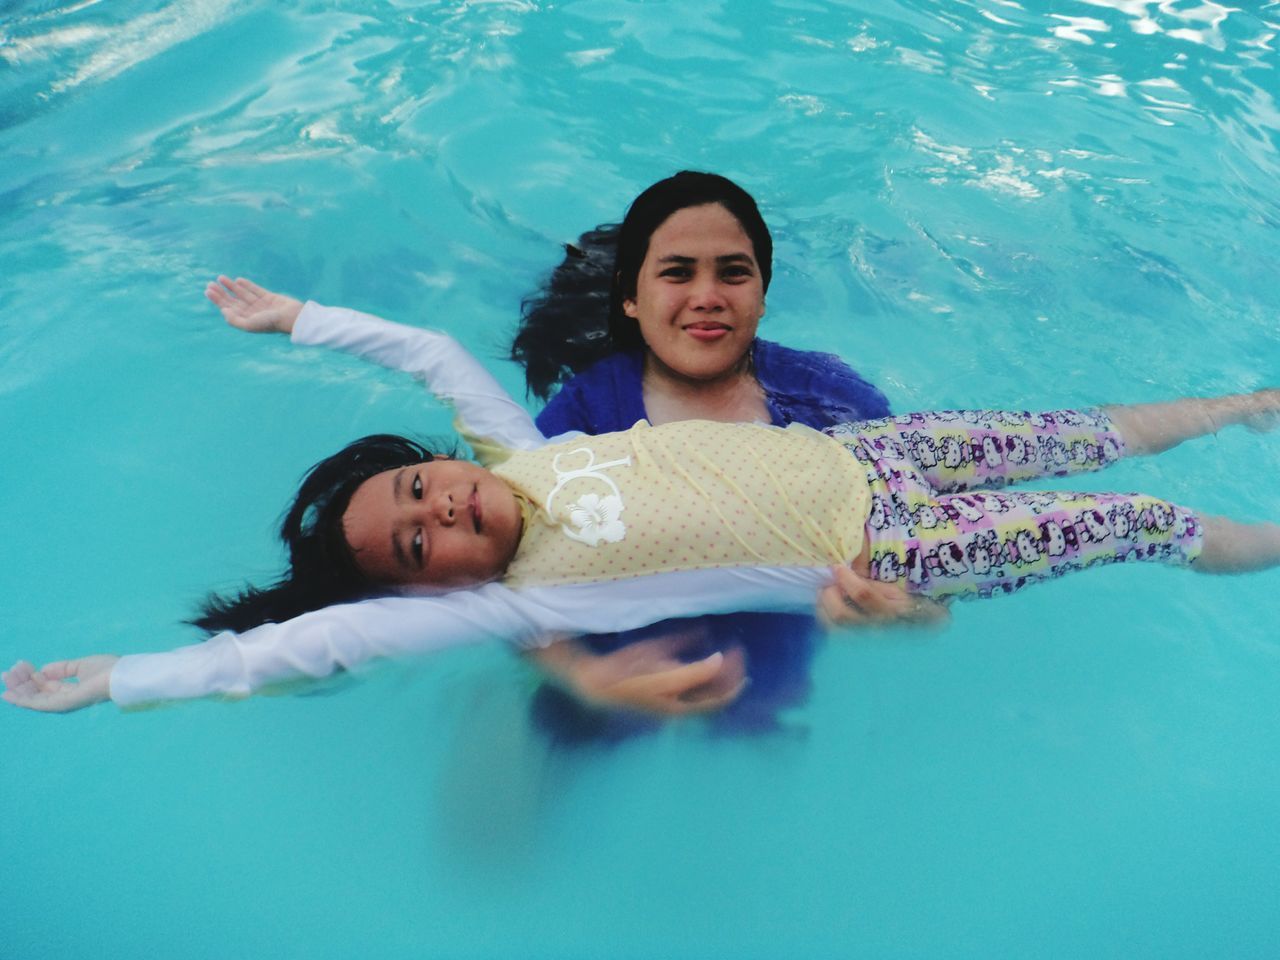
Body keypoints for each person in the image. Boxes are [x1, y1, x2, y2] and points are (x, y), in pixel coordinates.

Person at [6, 278, 1279, 715]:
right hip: (884, 544)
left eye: (416, 488)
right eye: (413, 545)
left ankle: (1231, 407)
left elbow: (438, 356)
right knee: (1135, 524)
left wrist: (301, 321)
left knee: (1078, 430)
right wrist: (121, 677)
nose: (438, 513)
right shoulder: (515, 601)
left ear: (439, 460)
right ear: (430, 589)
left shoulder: (512, 458)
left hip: (870, 454)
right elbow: (308, 645)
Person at [511, 171, 923, 725]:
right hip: (612, 681)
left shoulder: (835, 404)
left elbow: (924, 552)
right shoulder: (580, 422)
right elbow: (505, 578)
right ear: (631, 298)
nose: (707, 297)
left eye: (733, 273)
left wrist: (907, 611)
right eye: (678, 274)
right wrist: (582, 679)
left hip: (764, 679)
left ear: (762, 293)